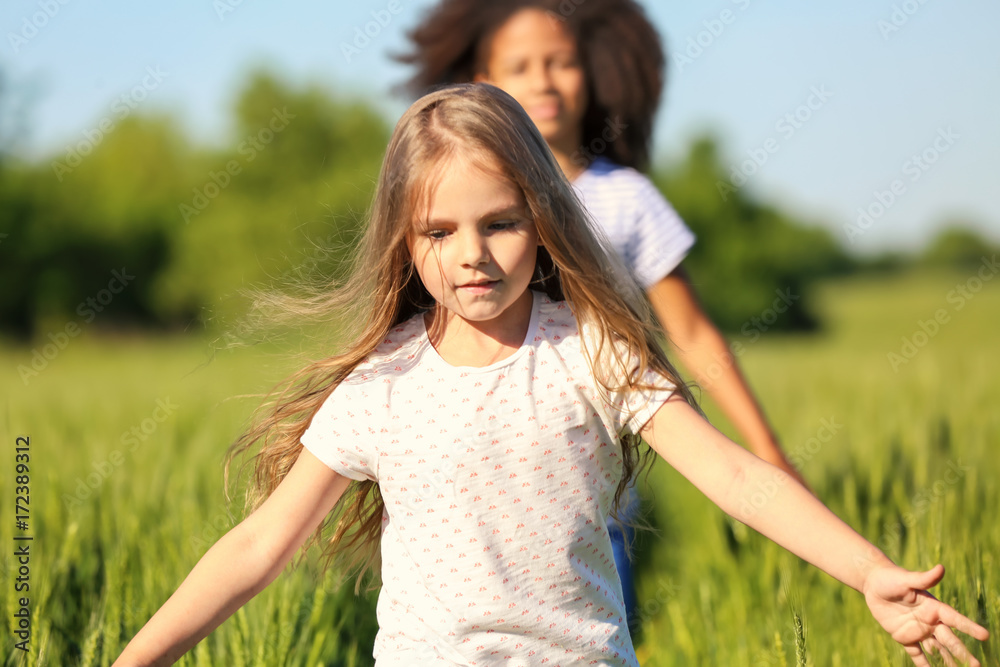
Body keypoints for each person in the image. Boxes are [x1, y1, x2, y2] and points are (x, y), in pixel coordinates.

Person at [112, 84, 987, 667]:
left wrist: (867, 567)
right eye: (438, 232)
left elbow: (732, 476)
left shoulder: (595, 352)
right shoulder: (380, 385)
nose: (472, 256)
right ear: (403, 242)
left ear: (543, 216)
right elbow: (260, 547)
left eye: (500, 222)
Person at [394, 0, 810, 630]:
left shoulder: (627, 200)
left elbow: (692, 332)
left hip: (586, 477)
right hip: (468, 479)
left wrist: (768, 450)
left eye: (561, 62)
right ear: (483, 81)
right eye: (521, 65)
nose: (543, 80)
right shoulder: (459, 207)